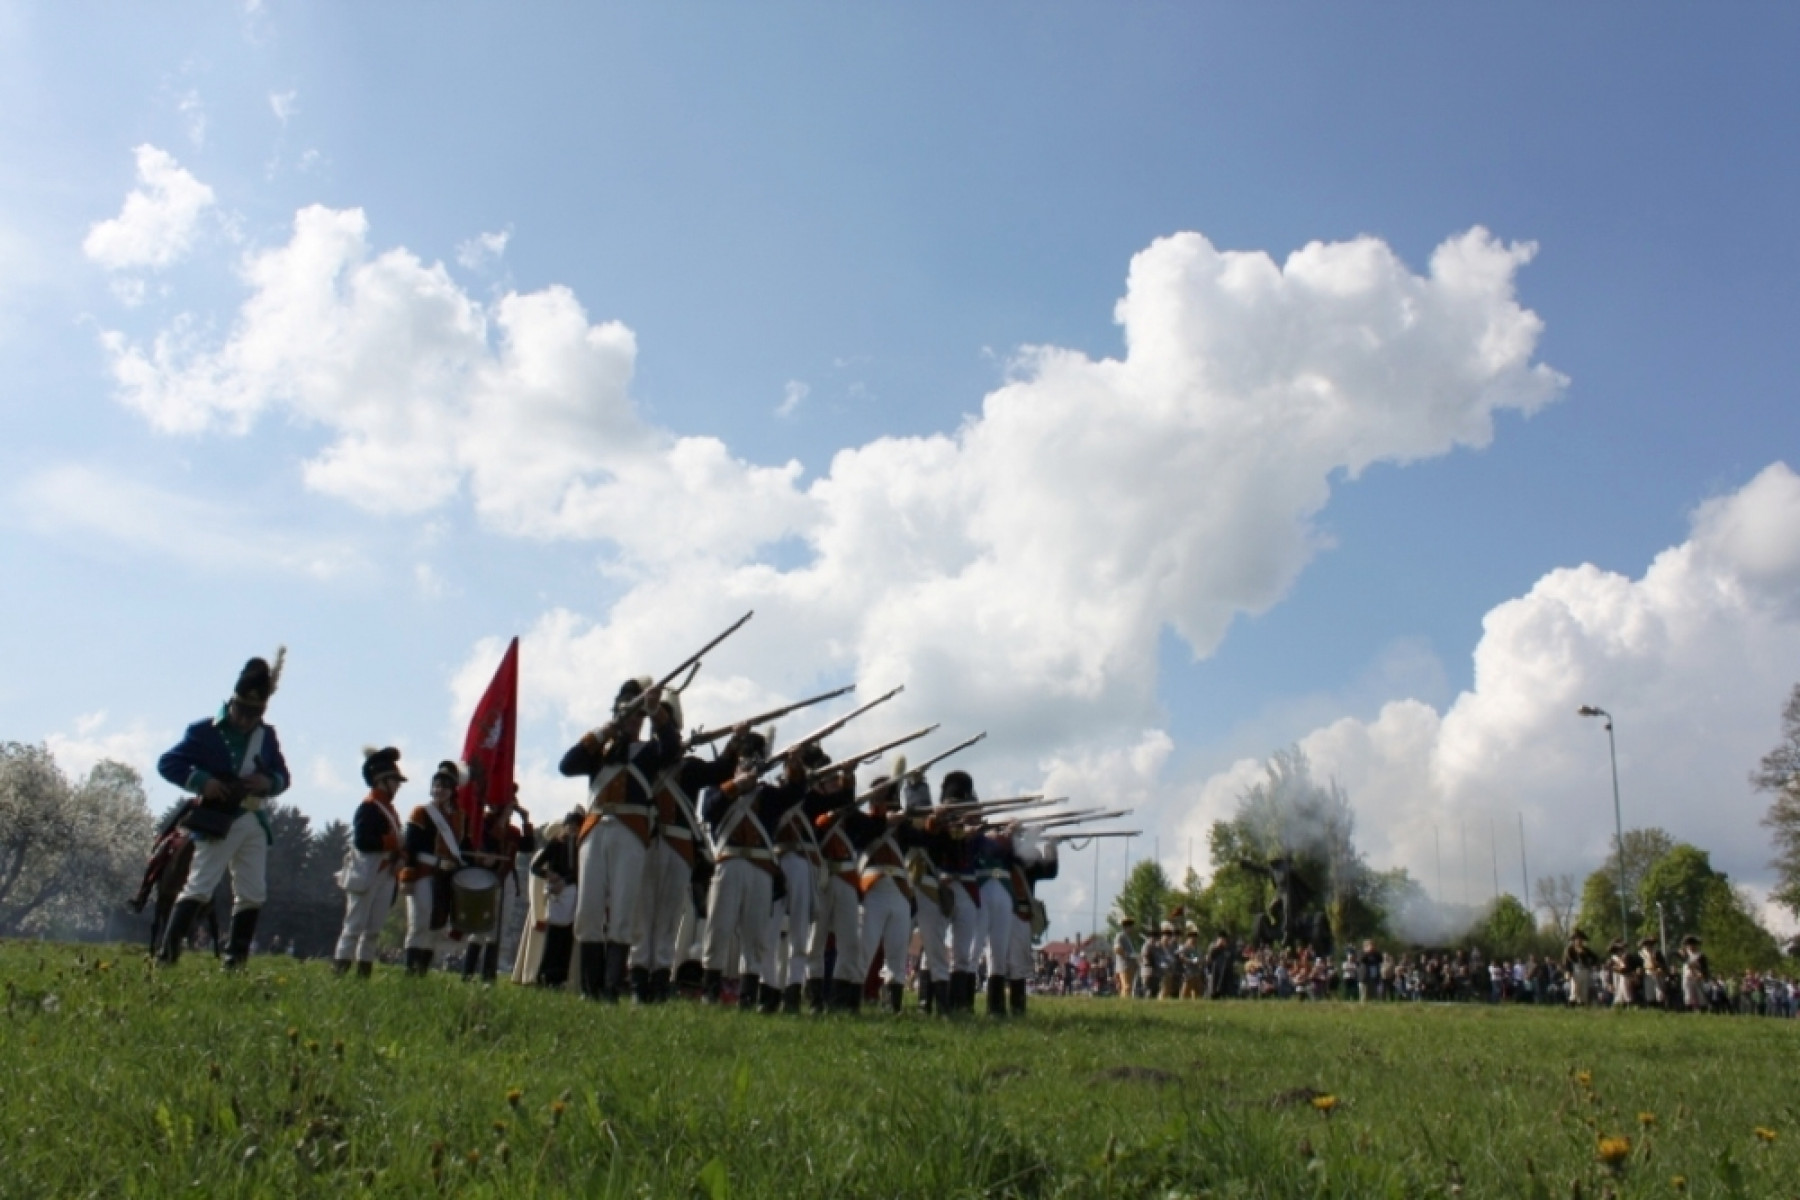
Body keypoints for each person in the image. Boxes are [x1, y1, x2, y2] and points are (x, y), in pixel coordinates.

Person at [156, 651, 291, 968]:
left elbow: (284, 777)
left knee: (253, 893)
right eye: (241, 711)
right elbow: (168, 763)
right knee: (200, 886)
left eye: (253, 713)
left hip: (253, 820)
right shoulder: (204, 731)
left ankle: (235, 961)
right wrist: (201, 781)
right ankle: (168, 956)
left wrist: (267, 782)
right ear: (233, 702)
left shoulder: (266, 735)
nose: (245, 720)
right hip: (218, 818)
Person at [560, 678, 680, 1002]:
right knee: (589, 911)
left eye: (636, 714)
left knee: (624, 911)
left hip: (630, 829)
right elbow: (566, 765)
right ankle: (590, 987)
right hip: (596, 826)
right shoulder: (598, 753)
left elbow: (673, 749)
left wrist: (657, 712)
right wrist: (605, 731)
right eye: (626, 712)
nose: (631, 719)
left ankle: (612, 988)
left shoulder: (650, 752)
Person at [332, 746, 406, 976]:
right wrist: (391, 844)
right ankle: (340, 969)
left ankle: (364, 971)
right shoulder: (368, 807)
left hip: (385, 872)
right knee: (354, 926)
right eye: (394, 781)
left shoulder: (389, 809)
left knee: (373, 929)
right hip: (368, 870)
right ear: (381, 780)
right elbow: (364, 841)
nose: (397, 786)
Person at [400, 760, 471, 975]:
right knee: (419, 921)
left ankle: (422, 969)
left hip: (446, 876)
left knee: (436, 924)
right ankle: (410, 969)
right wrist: (407, 875)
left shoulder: (460, 817)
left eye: (444, 787)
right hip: (424, 871)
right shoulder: (421, 812)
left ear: (452, 790)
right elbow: (410, 846)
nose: (439, 790)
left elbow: (464, 847)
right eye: (436, 786)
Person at [523, 810, 582, 987]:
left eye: (575, 827)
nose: (572, 830)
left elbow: (579, 873)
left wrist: (566, 881)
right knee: (554, 936)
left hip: (573, 891)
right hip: (557, 894)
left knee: (567, 938)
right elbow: (535, 867)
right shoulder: (555, 845)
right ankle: (545, 974)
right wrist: (550, 875)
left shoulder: (581, 847)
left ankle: (559, 977)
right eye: (569, 826)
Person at [1563, 929, 1599, 1006]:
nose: (1579, 941)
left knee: (1583, 992)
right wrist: (1568, 971)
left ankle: (1582, 1005)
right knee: (1574, 990)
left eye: (1580, 939)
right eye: (1577, 939)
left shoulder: (1586, 950)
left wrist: (1589, 963)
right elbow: (1567, 962)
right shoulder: (1570, 950)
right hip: (1575, 972)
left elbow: (1595, 958)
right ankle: (1572, 1005)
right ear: (1574, 940)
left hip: (1585, 971)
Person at [1680, 935, 1710, 1012]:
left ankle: (1703, 1011)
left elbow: (1704, 969)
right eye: (1688, 944)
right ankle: (1689, 1012)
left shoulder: (1700, 956)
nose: (1690, 946)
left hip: (1698, 978)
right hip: (1687, 978)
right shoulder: (1685, 955)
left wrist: (1700, 975)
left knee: (1700, 997)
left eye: (1692, 944)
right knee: (1688, 997)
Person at [1112, 916, 1140, 998]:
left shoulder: (1128, 937)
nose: (1132, 928)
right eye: (1131, 926)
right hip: (1123, 965)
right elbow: (1117, 949)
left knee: (1129, 987)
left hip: (1130, 965)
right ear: (1127, 926)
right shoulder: (1120, 935)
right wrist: (1128, 955)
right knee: (1126, 986)